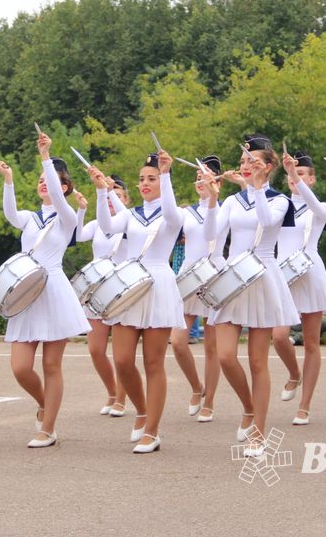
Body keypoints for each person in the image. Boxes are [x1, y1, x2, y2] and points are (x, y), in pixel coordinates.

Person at [201, 135, 299, 457]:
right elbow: (211, 235)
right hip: (234, 276)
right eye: (243, 162)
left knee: (258, 361)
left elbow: (268, 222)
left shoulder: (280, 200)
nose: (245, 166)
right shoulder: (231, 201)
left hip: (263, 274)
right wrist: (213, 201)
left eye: (252, 162)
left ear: (268, 167)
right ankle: (248, 407)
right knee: (226, 355)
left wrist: (256, 188)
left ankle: (259, 433)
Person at [0, 133, 90, 448]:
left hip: (53, 289)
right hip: (26, 290)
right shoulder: (30, 218)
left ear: (63, 187)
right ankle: (44, 403)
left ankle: (47, 428)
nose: (43, 183)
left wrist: (46, 157)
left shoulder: (65, 218)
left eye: (49, 180)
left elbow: (63, 204)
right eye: (40, 179)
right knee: (20, 367)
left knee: (51, 364)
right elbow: (10, 215)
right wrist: (8, 180)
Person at [89, 149, 185, 454]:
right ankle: (142, 412)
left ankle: (152, 431)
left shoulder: (173, 214)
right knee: (122, 360)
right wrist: (101, 191)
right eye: (142, 178)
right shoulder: (131, 215)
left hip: (157, 284)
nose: (145, 183)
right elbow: (106, 226)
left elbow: (171, 214)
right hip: (129, 284)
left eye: (152, 179)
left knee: (153, 362)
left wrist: (167, 173)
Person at [272, 151, 326, 426]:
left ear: (312, 179)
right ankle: (293, 374)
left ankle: (305, 405)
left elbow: (316, 208)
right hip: (283, 273)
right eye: (292, 174)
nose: (295, 178)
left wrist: (293, 175)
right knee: (279, 336)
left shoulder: (320, 207)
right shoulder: (280, 204)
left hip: (310, 272)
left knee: (312, 343)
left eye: (302, 174)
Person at [170, 155, 226, 424]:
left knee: (212, 346)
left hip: (215, 273)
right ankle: (196, 387)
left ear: (217, 180)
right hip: (189, 276)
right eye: (198, 176)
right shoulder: (186, 212)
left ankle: (211, 401)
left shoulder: (227, 209)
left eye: (206, 175)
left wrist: (214, 200)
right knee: (178, 342)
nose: (200, 180)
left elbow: (210, 235)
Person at [73, 175, 130, 417]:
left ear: (126, 199)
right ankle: (112, 392)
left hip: (119, 287)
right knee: (96, 349)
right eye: (108, 196)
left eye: (117, 196)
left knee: (120, 353)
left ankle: (122, 398)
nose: (111, 200)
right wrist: (81, 210)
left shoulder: (131, 222)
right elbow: (77, 236)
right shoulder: (98, 224)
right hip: (95, 286)